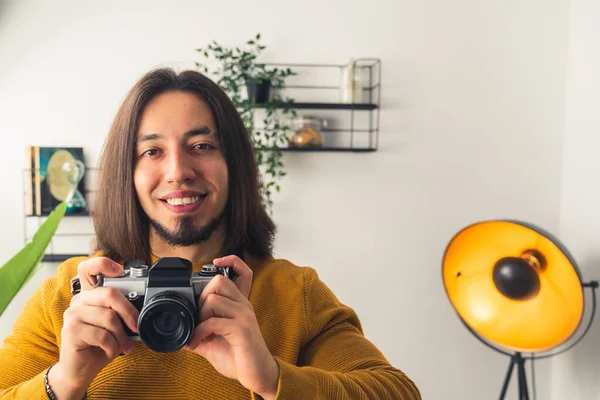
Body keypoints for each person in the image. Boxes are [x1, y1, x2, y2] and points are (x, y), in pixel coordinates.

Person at [0, 68, 421, 399]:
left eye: (202, 145)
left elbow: (396, 392)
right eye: (152, 151)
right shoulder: (74, 292)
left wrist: (272, 378)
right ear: (126, 174)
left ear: (233, 165)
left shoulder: (295, 292)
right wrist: (62, 383)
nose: (179, 171)